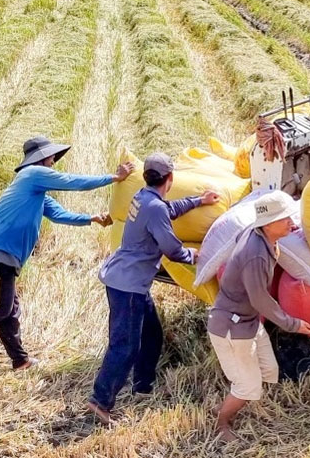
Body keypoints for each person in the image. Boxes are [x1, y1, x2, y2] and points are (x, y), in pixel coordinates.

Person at [0, 135, 132, 368]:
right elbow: (70, 181)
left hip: (6, 256)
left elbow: (60, 214)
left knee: (9, 309)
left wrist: (92, 219)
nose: (54, 162)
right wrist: (113, 178)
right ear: (42, 158)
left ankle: (20, 360)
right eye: (52, 158)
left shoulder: (36, 194)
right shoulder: (31, 174)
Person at [87, 152, 220, 425]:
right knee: (125, 346)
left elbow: (169, 210)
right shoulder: (153, 206)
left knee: (152, 335)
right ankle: (100, 401)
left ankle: (143, 386)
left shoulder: (143, 197)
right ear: (170, 179)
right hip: (129, 286)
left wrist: (198, 201)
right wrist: (194, 255)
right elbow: (171, 249)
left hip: (124, 277)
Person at [207, 190, 310, 442]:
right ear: (268, 223)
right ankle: (221, 423)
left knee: (268, 369)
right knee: (248, 386)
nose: (293, 223)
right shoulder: (255, 254)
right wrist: (292, 324)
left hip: (248, 320)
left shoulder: (262, 238)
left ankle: (235, 402)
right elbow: (260, 300)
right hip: (232, 327)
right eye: (286, 218)